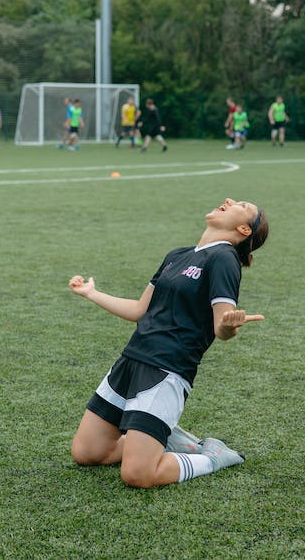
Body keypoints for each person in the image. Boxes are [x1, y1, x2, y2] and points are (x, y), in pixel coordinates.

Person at [68, 198, 269, 488]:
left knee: (138, 475)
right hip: (130, 360)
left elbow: (221, 326)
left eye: (241, 205)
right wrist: (91, 293)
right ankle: (157, 435)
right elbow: (139, 310)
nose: (228, 200)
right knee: (86, 453)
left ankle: (214, 456)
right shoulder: (177, 255)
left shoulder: (224, 258)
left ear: (243, 229)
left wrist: (228, 328)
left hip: (167, 369)